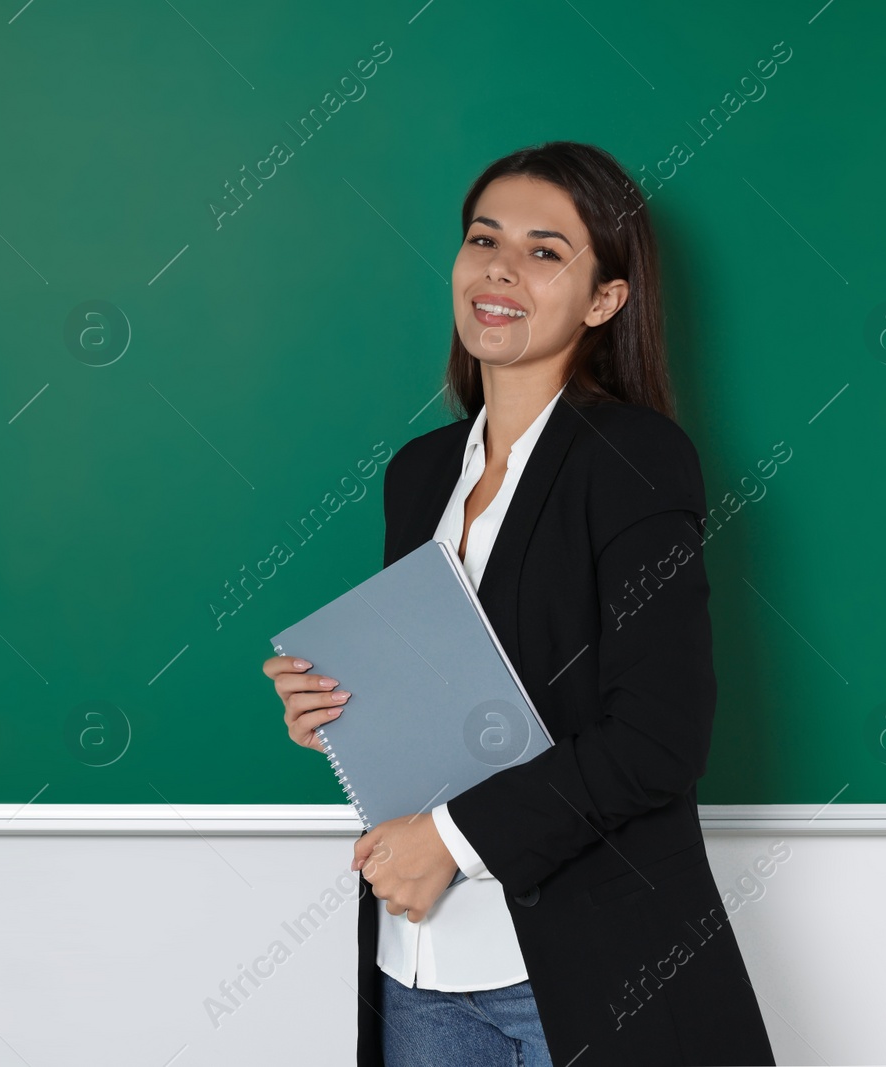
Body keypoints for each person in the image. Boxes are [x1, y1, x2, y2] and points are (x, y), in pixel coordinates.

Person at [262, 141, 776, 1066]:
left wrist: (453, 842)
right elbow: (457, 698)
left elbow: (659, 737)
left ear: (605, 300)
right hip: (418, 968)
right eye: (482, 238)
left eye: (545, 251)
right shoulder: (420, 475)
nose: (499, 267)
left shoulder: (634, 460)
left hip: (583, 968)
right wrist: (344, 716)